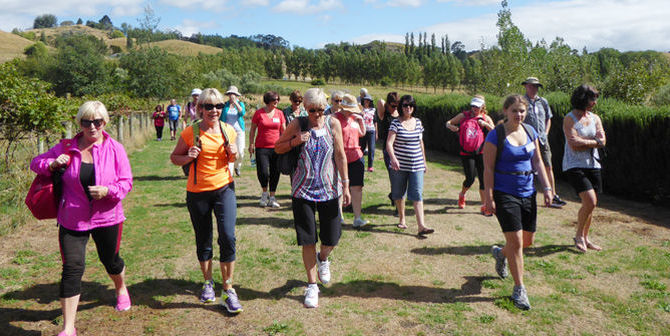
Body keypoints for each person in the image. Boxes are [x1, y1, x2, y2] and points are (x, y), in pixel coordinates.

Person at [30, 101, 133, 336]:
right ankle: (68, 328)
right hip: (72, 218)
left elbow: (126, 181)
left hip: (107, 217)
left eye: (97, 122)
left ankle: (121, 288)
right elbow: (35, 163)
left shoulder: (115, 148)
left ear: (105, 123)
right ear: (80, 123)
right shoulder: (66, 147)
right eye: (86, 122)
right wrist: (52, 164)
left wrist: (108, 191)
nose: (92, 127)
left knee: (111, 260)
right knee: (72, 268)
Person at [169, 88, 243, 313]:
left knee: (228, 237)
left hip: (224, 189)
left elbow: (233, 157)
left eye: (218, 106)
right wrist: (188, 156)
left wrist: (234, 153)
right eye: (208, 106)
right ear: (200, 108)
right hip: (198, 191)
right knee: (204, 238)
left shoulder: (229, 130)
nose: (214, 110)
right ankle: (208, 282)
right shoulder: (190, 132)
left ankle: (228, 288)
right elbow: (175, 158)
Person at [275, 88, 350, 308]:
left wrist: (345, 185)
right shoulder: (297, 124)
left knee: (332, 237)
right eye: (312, 110)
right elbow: (278, 148)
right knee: (307, 239)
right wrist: (295, 141)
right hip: (302, 190)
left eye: (320, 109)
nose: (317, 114)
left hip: (329, 189)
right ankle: (311, 285)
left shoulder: (333, 123)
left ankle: (323, 258)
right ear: (305, 108)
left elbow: (340, 154)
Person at [482, 95, 553, 311]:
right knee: (517, 243)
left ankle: (500, 253)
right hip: (505, 193)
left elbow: (538, 161)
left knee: (527, 241)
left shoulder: (530, 131)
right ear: (505, 111)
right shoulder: (496, 136)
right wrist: (489, 197)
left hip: (528, 191)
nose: (519, 115)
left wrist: (548, 187)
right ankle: (519, 289)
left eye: (522, 111)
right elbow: (488, 169)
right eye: (514, 110)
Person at [563, 84, 605, 252]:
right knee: (590, 200)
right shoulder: (570, 118)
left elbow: (603, 140)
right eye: (591, 98)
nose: (594, 102)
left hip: (593, 164)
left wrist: (586, 142)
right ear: (582, 98)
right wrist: (595, 142)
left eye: (595, 98)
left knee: (591, 204)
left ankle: (586, 238)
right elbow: (574, 144)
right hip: (574, 165)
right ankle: (579, 235)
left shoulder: (595, 118)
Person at [386, 95, 434, 235]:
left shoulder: (418, 122)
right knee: (399, 193)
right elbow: (389, 143)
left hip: (417, 165)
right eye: (405, 105)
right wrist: (393, 158)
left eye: (411, 105)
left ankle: (421, 226)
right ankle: (402, 219)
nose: (408, 108)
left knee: (417, 193)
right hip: (399, 166)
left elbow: (421, 143)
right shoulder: (395, 123)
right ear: (401, 107)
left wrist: (424, 161)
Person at [446, 95, 495, 215]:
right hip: (466, 152)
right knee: (470, 178)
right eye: (473, 106)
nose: (474, 108)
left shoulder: (485, 117)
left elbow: (495, 132)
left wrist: (485, 124)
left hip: (482, 152)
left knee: (484, 180)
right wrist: (451, 127)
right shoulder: (464, 115)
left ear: (483, 106)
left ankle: (484, 207)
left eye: (477, 106)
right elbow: (448, 123)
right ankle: (462, 194)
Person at [522, 77, 566, 208]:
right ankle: (526, 195)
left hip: (542, 139)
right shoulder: (522, 102)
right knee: (527, 167)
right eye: (531, 86)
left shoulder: (543, 102)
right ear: (526, 87)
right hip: (527, 140)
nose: (533, 89)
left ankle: (553, 195)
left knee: (548, 166)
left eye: (536, 86)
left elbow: (548, 118)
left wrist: (546, 133)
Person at [335, 94, 368, 228]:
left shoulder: (354, 118)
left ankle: (357, 218)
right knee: (339, 187)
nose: (352, 112)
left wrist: (361, 121)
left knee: (357, 187)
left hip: (356, 156)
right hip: (339, 157)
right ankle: (339, 217)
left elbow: (361, 133)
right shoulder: (334, 119)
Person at [248, 91, 286, 208]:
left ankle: (272, 197)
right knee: (263, 172)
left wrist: (285, 144)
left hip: (276, 148)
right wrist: (251, 144)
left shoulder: (280, 113)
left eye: (278, 99)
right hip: (261, 148)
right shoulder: (259, 113)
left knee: (275, 172)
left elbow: (283, 131)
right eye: (274, 99)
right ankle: (264, 194)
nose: (277, 102)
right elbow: (253, 130)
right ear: (268, 100)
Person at [377, 92, 399, 208]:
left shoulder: (399, 113)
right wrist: (387, 105)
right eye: (392, 105)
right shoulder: (384, 113)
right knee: (393, 175)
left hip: (400, 149)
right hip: (388, 150)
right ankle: (397, 203)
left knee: (399, 176)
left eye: (396, 106)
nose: (394, 108)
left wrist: (396, 106)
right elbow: (380, 101)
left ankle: (393, 195)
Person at [221, 85, 246, 177]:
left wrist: (235, 103)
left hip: (239, 131)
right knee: (230, 151)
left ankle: (237, 166)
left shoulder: (240, 104)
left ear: (236, 95)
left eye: (234, 94)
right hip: (227, 131)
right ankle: (230, 173)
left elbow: (242, 113)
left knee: (241, 151)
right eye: (230, 94)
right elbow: (221, 117)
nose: (232, 95)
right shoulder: (225, 105)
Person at [360, 95, 376, 172]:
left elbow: (375, 121)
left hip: (371, 131)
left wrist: (376, 133)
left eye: (368, 100)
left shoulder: (373, 110)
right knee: (361, 148)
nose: (366, 102)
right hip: (362, 131)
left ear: (370, 102)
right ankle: (360, 164)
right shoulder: (360, 109)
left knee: (371, 149)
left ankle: (370, 166)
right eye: (365, 100)